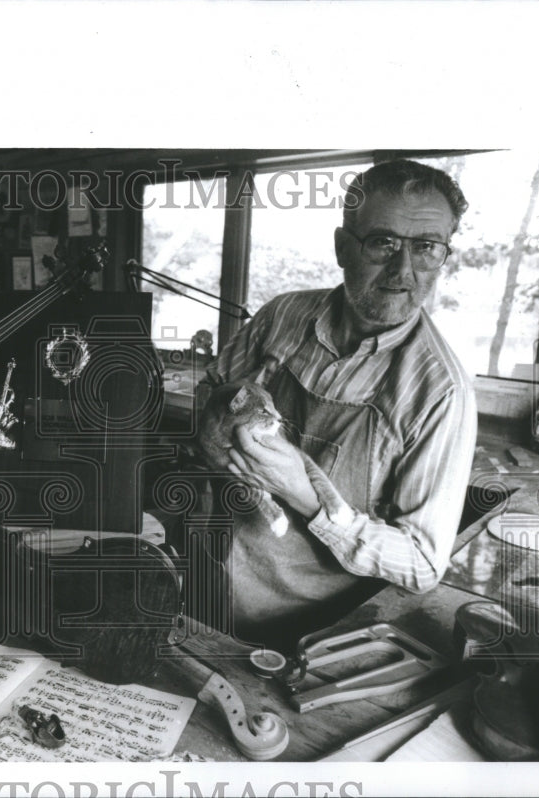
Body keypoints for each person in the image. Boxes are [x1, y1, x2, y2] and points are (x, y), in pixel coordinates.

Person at [203, 158, 478, 646]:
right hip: (199, 573)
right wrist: (213, 439)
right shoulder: (282, 315)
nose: (403, 270)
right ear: (342, 247)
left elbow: (421, 564)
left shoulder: (440, 393)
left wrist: (301, 493)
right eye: (383, 242)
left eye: (427, 248)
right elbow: (213, 394)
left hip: (296, 631)